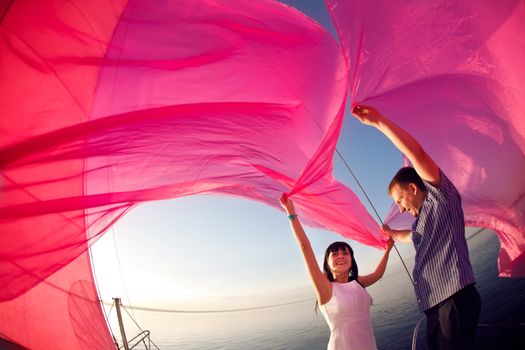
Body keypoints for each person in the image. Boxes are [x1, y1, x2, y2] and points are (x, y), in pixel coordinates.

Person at [351, 104, 481, 349]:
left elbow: (417, 153)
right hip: (436, 309)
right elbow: (410, 237)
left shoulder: (442, 197)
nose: (400, 208)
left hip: (454, 300)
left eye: (399, 200)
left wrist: (379, 121)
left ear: (413, 188)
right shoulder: (422, 222)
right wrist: (390, 234)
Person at [279, 194, 393, 350]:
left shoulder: (357, 283)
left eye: (345, 253)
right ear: (327, 262)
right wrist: (291, 213)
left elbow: (377, 274)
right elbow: (304, 247)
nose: (341, 256)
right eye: (335, 254)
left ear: (351, 260)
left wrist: (388, 250)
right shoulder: (326, 288)